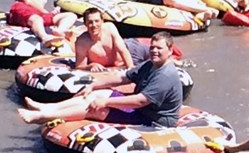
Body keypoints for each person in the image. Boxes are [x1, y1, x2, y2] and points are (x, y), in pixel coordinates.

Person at [19, 31, 182, 128]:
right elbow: (122, 77)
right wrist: (94, 85)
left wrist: (106, 103)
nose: (154, 51)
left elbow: (140, 101)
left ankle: (41, 118)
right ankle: (47, 108)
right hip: (142, 110)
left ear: (169, 51)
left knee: (97, 108)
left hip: (153, 120)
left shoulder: (166, 75)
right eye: (152, 47)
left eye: (159, 48)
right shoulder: (149, 64)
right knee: (98, 94)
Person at [74, 8, 134, 72]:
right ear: (85, 23)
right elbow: (79, 66)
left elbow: (123, 50)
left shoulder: (110, 28)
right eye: (90, 22)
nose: (94, 25)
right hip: (110, 70)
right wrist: (91, 65)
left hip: (132, 54)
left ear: (102, 21)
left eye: (97, 21)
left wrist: (131, 68)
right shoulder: (82, 42)